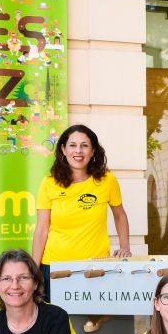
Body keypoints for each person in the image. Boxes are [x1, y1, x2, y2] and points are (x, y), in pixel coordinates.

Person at [32, 124, 131, 302]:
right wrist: (33, 269)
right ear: (63, 149)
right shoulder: (49, 183)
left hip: (95, 267)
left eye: (84, 145)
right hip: (54, 267)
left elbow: (120, 215)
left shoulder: (107, 180)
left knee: (91, 325)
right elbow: (42, 229)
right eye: (73, 145)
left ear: (93, 151)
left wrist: (125, 247)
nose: (78, 151)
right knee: (55, 324)